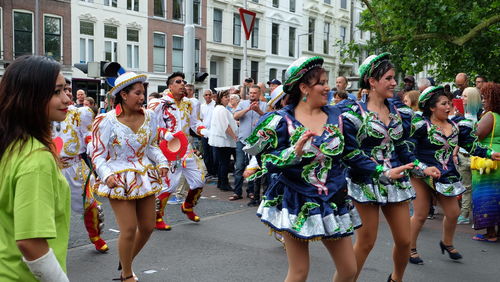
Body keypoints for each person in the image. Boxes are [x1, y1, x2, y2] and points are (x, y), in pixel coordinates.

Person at [244, 56, 361, 282]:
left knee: (349, 270)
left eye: (327, 81)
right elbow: (265, 161)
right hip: (295, 199)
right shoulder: (280, 121)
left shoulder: (339, 117)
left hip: (333, 197)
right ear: (304, 87)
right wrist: (293, 153)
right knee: (299, 272)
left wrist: (382, 172)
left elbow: (352, 154)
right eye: (321, 82)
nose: (328, 87)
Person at [340, 53, 439, 282]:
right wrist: (380, 171)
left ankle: (396, 279)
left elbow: (403, 149)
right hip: (365, 181)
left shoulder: (399, 112)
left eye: (394, 78)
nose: (394, 83)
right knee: (366, 242)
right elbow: (351, 153)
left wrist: (422, 168)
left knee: (405, 241)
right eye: (388, 78)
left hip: (396, 181)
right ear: (372, 82)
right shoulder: (353, 113)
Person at [90, 72, 169, 281]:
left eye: (143, 93)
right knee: (128, 229)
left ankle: (126, 260)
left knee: (148, 227)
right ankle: (126, 274)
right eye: (137, 93)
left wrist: (162, 162)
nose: (142, 98)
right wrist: (106, 176)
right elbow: (97, 154)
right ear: (123, 95)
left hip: (144, 176)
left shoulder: (150, 117)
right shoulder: (106, 121)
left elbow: (151, 146)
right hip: (117, 178)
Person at [408, 86, 500, 265]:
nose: (449, 107)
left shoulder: (457, 126)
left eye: (450, 103)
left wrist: (490, 154)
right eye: (444, 104)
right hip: (422, 173)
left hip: (446, 173)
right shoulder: (420, 126)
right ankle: (410, 248)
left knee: (453, 212)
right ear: (432, 108)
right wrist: (422, 167)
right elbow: (408, 152)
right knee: (420, 214)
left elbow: (472, 145)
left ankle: (447, 242)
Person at [0, 55, 71, 281]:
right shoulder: (36, 159)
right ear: (30, 97)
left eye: (65, 90)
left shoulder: (10, 145)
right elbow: (30, 243)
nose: (67, 99)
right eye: (56, 92)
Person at [52, 79, 108, 253]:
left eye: (68, 89)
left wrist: (94, 147)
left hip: (75, 167)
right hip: (51, 167)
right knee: (51, 210)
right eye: (61, 90)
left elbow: (88, 135)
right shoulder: (38, 113)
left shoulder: (80, 114)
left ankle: (95, 236)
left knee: (90, 206)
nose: (67, 93)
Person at [149, 72, 208, 225]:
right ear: (170, 86)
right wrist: (165, 133)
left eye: (183, 81)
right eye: (178, 81)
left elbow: (195, 123)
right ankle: (157, 217)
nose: (182, 84)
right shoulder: (159, 104)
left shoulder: (191, 103)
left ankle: (187, 206)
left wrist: (204, 130)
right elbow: (151, 127)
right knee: (169, 185)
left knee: (199, 180)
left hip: (187, 149)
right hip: (168, 150)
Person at [471, 82, 500, 242]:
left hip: (488, 161)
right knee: (498, 196)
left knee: (487, 196)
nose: (483, 101)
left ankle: (491, 233)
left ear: (492, 99)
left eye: (485, 97)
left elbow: (477, 135)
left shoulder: (490, 116)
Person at [233, 86, 268, 205]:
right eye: (251, 93)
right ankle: (237, 192)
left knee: (253, 167)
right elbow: (235, 116)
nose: (252, 95)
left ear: (259, 94)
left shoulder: (264, 105)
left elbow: (269, 119)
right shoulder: (242, 104)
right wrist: (248, 109)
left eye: (255, 93)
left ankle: (251, 191)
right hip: (242, 140)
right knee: (239, 166)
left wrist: (258, 111)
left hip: (257, 143)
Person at [457, 87, 483, 224]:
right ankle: (465, 214)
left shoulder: (482, 118)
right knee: (466, 187)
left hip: (476, 157)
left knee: (478, 189)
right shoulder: (462, 116)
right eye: (462, 95)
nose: (462, 98)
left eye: (465, 96)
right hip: (462, 155)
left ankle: (478, 217)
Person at [209, 90, 238, 191]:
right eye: (226, 97)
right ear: (220, 98)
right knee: (224, 163)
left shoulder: (220, 109)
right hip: (223, 141)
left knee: (222, 163)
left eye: (228, 97)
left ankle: (221, 183)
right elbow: (226, 126)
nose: (228, 99)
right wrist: (234, 136)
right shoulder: (221, 109)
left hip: (221, 140)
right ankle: (224, 184)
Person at [200, 89, 217, 178]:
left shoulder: (215, 105)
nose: (208, 96)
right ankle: (209, 171)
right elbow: (201, 118)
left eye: (209, 95)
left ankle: (215, 171)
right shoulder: (202, 106)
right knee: (206, 153)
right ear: (204, 96)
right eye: (206, 95)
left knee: (213, 153)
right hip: (205, 133)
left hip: (214, 133)